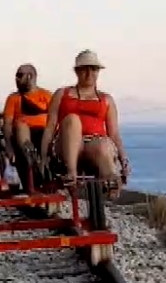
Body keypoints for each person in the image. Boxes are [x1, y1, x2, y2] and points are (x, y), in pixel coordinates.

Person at [39, 50, 129, 186]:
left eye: (93, 70)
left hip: (94, 145)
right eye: (85, 69)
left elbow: (114, 133)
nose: (89, 74)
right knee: (73, 120)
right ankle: (71, 173)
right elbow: (50, 127)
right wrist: (43, 156)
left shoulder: (106, 99)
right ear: (77, 71)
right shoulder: (62, 94)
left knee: (103, 145)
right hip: (66, 144)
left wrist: (124, 159)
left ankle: (110, 180)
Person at [2, 64, 52, 188]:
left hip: (45, 133)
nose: (16, 79)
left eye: (19, 75)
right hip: (22, 135)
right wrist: (8, 147)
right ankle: (31, 160)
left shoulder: (46, 96)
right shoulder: (13, 98)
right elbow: (7, 124)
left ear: (30, 76)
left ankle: (43, 166)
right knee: (20, 125)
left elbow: (55, 119)